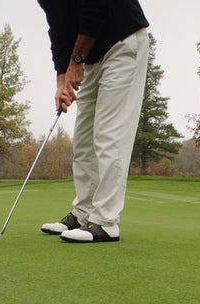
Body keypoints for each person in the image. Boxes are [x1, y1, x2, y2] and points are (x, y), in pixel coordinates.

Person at [38, 0, 149, 243]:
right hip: (90, 54)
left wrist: (76, 61)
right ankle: (83, 214)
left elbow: (96, 5)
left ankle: (106, 222)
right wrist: (62, 81)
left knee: (109, 134)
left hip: (122, 40)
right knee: (84, 139)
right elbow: (57, 30)